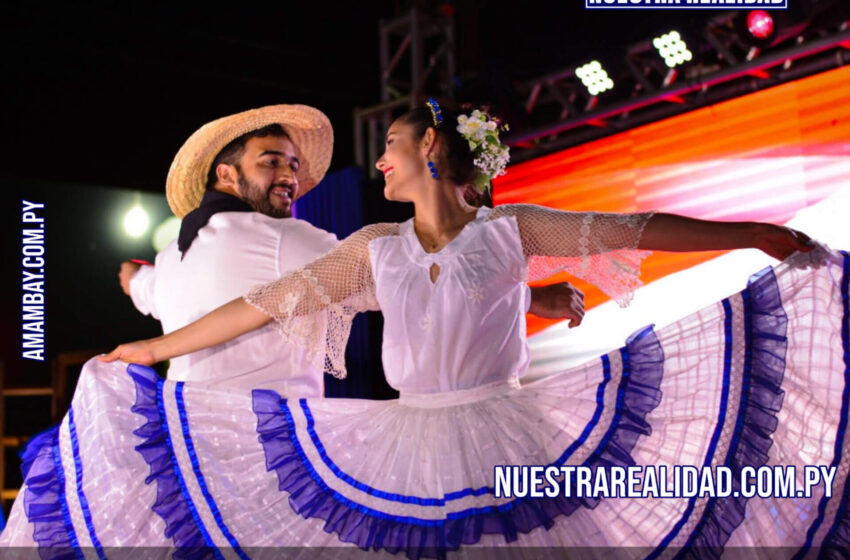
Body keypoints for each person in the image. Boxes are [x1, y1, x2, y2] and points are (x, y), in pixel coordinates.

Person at [7, 100, 849, 558]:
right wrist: (149, 349)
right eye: (280, 162)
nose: (375, 161)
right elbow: (266, 304)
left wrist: (751, 233)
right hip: (402, 439)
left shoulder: (510, 231)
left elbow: (631, 229)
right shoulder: (372, 248)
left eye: (393, 145)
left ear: (433, 154)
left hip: (504, 426)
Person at [116, 104, 585, 396]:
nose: (289, 175)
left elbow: (144, 289)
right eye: (271, 161)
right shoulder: (285, 239)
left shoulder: (172, 256)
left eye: (294, 164)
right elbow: (414, 280)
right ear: (226, 175)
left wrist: (130, 275)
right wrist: (533, 298)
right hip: (271, 452)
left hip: (186, 448)